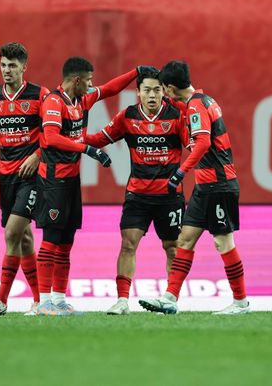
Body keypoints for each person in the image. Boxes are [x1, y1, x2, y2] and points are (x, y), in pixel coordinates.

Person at [139, 60, 249, 315]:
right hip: (204, 186)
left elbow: (202, 143)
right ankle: (170, 298)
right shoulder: (202, 100)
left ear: (169, 87)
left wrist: (180, 173)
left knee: (224, 243)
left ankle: (241, 302)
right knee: (185, 239)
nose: (162, 94)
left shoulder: (197, 106)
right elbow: (181, 106)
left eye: (162, 89)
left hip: (219, 184)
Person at [35, 57, 142, 315]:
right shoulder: (53, 102)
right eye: (89, 80)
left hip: (71, 181)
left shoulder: (82, 99)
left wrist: (136, 72)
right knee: (51, 240)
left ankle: (59, 300)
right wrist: (88, 149)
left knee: (66, 242)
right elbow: (51, 138)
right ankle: (43, 302)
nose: (92, 85)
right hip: (53, 180)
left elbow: (110, 89)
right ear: (76, 80)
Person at [84, 67, 189, 315]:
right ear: (138, 92)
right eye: (147, 90)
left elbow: (193, 147)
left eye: (156, 90)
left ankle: (171, 298)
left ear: (164, 91)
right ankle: (122, 301)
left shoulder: (177, 115)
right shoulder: (127, 116)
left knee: (172, 247)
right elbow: (99, 139)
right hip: (138, 195)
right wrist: (70, 134)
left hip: (169, 196)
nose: (152, 95)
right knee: (128, 245)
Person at [0, 42, 48, 316]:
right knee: (25, 238)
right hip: (6, 176)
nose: (6, 70)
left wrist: (38, 156)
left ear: (24, 67)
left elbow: (53, 133)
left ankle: (1, 299)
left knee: (12, 233)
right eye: (3, 65)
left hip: (31, 177)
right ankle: (40, 300)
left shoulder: (39, 95)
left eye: (12, 66)